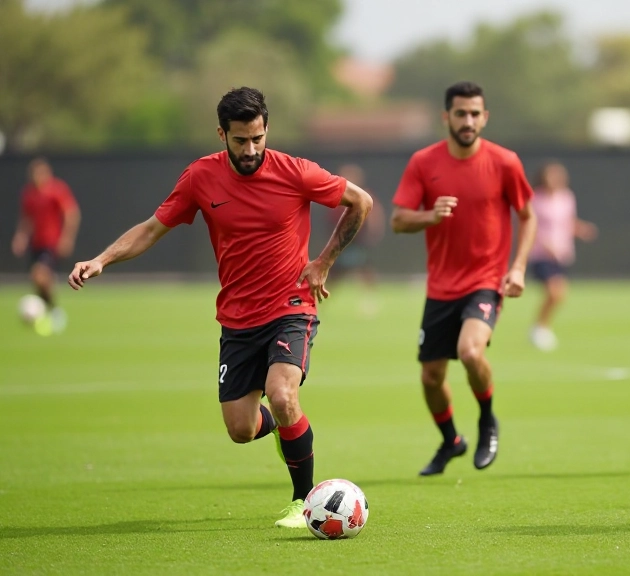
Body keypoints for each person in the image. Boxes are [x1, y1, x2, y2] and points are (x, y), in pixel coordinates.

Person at [67, 87, 373, 528]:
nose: (250, 150)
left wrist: (323, 261)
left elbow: (360, 202)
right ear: (221, 134)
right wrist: (101, 260)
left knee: (285, 396)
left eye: (257, 138)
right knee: (240, 430)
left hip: (292, 305)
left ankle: (302, 499)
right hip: (237, 318)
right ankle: (287, 432)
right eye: (240, 141)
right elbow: (153, 228)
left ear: (267, 130)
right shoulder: (200, 178)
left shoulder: (296, 172)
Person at [391, 81, 536, 476]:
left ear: (485, 117)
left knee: (471, 352)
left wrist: (518, 266)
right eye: (460, 113)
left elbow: (527, 215)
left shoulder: (505, 162)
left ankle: (488, 419)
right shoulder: (424, 162)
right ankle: (451, 440)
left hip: (485, 280)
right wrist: (429, 216)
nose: (468, 120)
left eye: (475, 113)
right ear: (446, 117)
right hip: (440, 287)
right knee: (431, 376)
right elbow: (398, 220)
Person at [527, 161, 597, 352]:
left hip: (562, 253)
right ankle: (539, 328)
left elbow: (568, 222)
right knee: (555, 292)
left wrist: (581, 229)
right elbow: (530, 225)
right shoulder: (535, 199)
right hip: (541, 254)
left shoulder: (566, 197)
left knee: (559, 296)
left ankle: (540, 326)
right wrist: (544, 243)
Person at [11, 158, 80, 335]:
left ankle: (55, 312)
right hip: (36, 244)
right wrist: (21, 237)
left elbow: (71, 213)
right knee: (39, 281)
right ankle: (45, 311)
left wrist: (67, 238)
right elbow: (26, 219)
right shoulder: (29, 193)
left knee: (39, 275)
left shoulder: (56, 189)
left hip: (51, 243)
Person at [325, 163, 386, 315]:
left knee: (365, 270)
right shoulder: (336, 194)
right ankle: (320, 301)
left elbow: (374, 214)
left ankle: (369, 301)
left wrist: (373, 232)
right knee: (333, 273)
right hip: (340, 242)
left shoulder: (364, 194)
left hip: (358, 241)